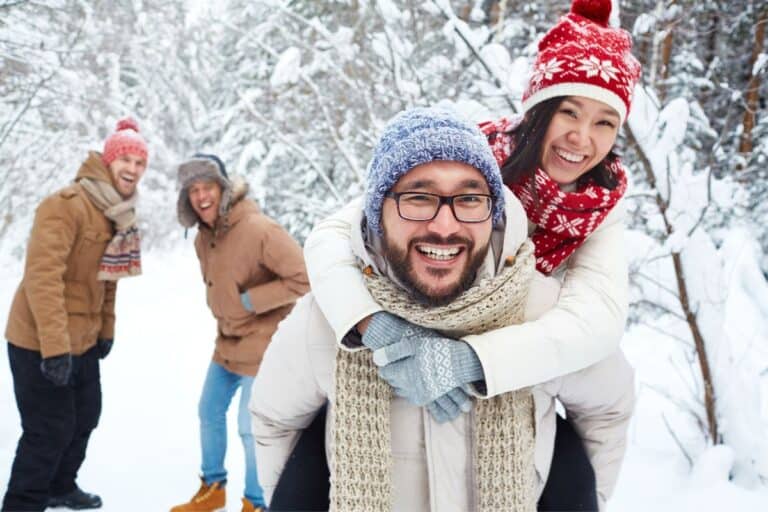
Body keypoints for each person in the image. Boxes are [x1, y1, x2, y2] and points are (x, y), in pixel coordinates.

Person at [298, 0, 641, 508]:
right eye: (569, 110)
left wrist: (472, 361)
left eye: (605, 123)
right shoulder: (471, 160)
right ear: (538, 108)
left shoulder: (603, 208)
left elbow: (597, 321)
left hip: (517, 382)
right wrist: (369, 321)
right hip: (409, 347)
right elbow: (333, 234)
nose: (581, 138)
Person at [251, 106, 635, 511]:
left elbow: (608, 409)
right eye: (419, 197)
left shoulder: (544, 312)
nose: (445, 226)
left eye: (469, 198)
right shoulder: (328, 319)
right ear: (377, 211)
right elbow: (275, 421)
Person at [2, 118, 149, 511]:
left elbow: (109, 279)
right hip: (38, 340)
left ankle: (59, 486)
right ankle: (22, 503)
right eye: (126, 160)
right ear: (108, 160)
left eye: (140, 162)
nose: (132, 169)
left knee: (85, 416)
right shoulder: (66, 205)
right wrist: (54, 349)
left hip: (82, 339)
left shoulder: (119, 213)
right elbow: (41, 278)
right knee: (46, 431)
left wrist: (106, 329)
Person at [169, 154, 310, 512]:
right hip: (226, 343)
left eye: (208, 187)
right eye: (194, 190)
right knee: (209, 411)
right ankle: (213, 487)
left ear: (223, 189)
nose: (201, 196)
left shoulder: (259, 229)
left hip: (263, 346)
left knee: (250, 428)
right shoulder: (203, 238)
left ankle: (257, 502)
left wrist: (250, 301)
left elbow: (304, 277)